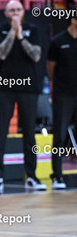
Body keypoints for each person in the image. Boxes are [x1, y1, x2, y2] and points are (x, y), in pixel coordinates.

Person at [0, 0, 45, 192]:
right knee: (1, 131)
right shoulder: (0, 30)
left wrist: (21, 36)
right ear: (6, 13)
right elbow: (1, 54)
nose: (15, 13)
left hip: (28, 87)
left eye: (18, 10)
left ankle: (32, 176)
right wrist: (12, 33)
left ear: (23, 12)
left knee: (29, 132)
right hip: (4, 87)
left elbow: (36, 55)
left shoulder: (32, 30)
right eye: (11, 10)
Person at [47, 16, 77, 189]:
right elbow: (50, 69)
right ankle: (57, 175)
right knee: (59, 135)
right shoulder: (57, 42)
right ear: (73, 20)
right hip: (63, 95)